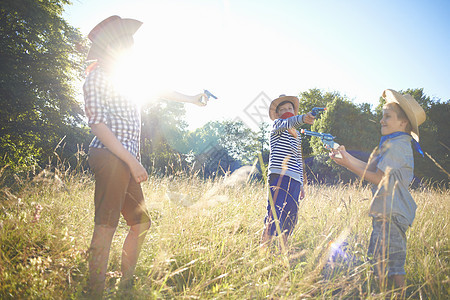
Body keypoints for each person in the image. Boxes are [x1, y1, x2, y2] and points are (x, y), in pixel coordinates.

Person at [83, 15, 207, 297]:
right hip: (110, 156)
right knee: (106, 226)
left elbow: (157, 89)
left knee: (141, 223)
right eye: (126, 43)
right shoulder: (96, 78)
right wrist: (131, 160)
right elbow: (97, 125)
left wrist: (190, 98)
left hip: (125, 160)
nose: (131, 48)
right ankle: (94, 291)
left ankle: (125, 282)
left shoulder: (125, 76)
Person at [329, 89, 426, 293]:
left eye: (387, 116)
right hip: (385, 213)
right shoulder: (391, 143)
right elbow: (370, 169)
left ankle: (405, 295)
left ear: (403, 123)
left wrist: (348, 163)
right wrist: (345, 159)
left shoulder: (398, 145)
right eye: (382, 115)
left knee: (394, 266)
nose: (381, 120)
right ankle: (382, 294)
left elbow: (380, 179)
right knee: (379, 263)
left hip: (392, 214)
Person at [260, 95, 315, 250]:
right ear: (277, 115)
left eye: (289, 108)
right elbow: (288, 122)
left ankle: (284, 251)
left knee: (290, 217)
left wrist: (302, 185)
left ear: (294, 110)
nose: (287, 111)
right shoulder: (278, 125)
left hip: (295, 180)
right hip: (278, 177)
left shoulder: (297, 136)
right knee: (274, 214)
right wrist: (303, 118)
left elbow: (298, 159)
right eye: (283, 109)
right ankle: (264, 251)